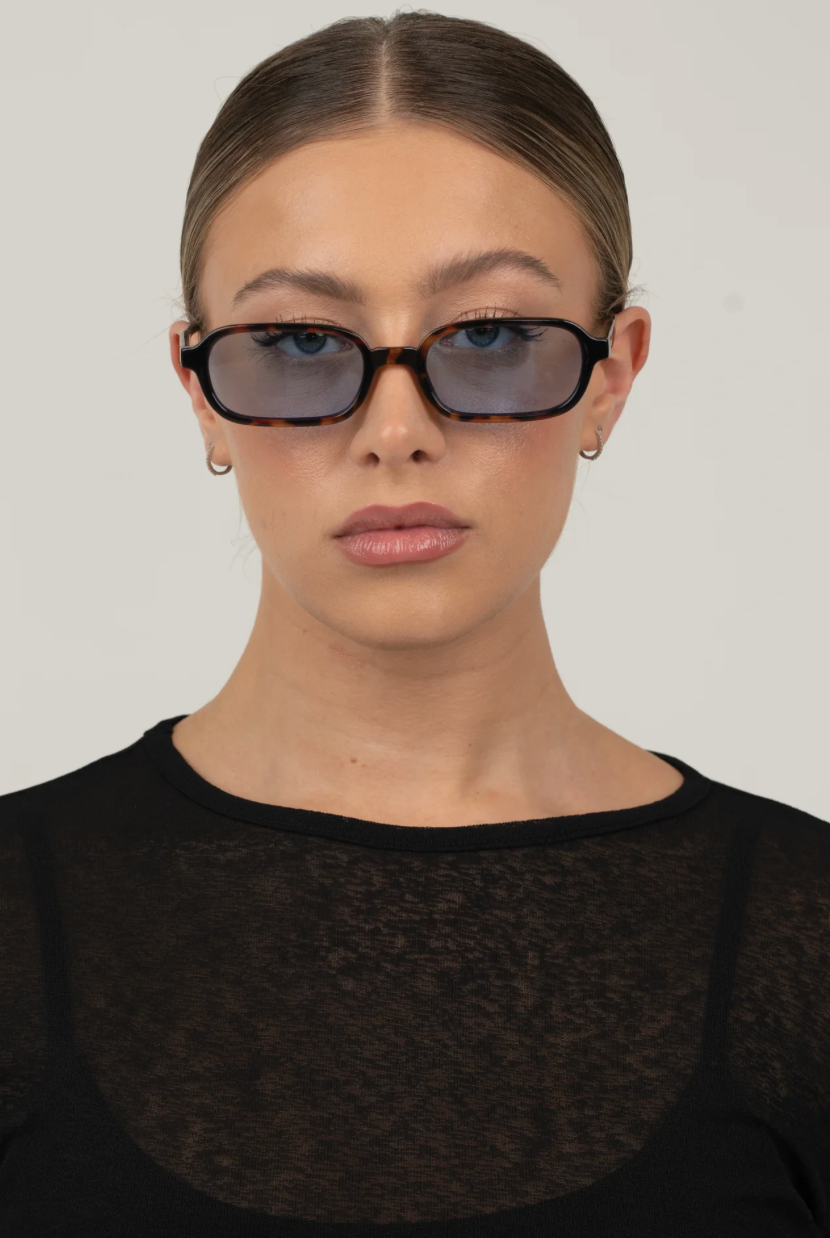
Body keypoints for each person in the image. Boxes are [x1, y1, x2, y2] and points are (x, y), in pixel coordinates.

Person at [1, 11, 828, 1236]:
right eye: (297, 341)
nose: (395, 431)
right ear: (200, 389)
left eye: (488, 335)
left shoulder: (807, 934)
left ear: (611, 372)